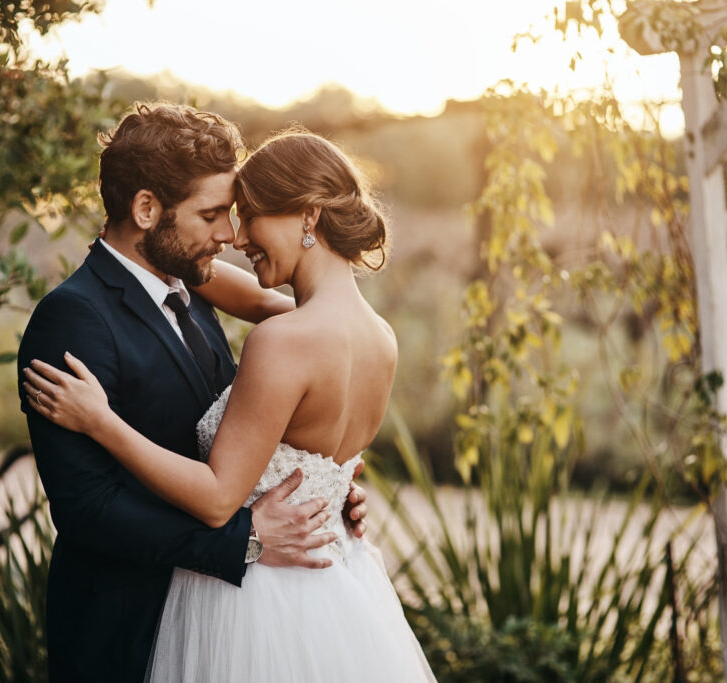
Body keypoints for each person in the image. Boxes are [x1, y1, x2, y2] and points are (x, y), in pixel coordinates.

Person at [23, 130, 436, 681]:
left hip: (250, 610)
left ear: (309, 218)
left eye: (242, 214)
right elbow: (85, 508)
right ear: (146, 209)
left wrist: (326, 489)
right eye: (215, 214)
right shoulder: (77, 316)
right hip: (139, 620)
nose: (231, 234)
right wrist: (266, 522)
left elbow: (240, 466)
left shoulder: (251, 317)